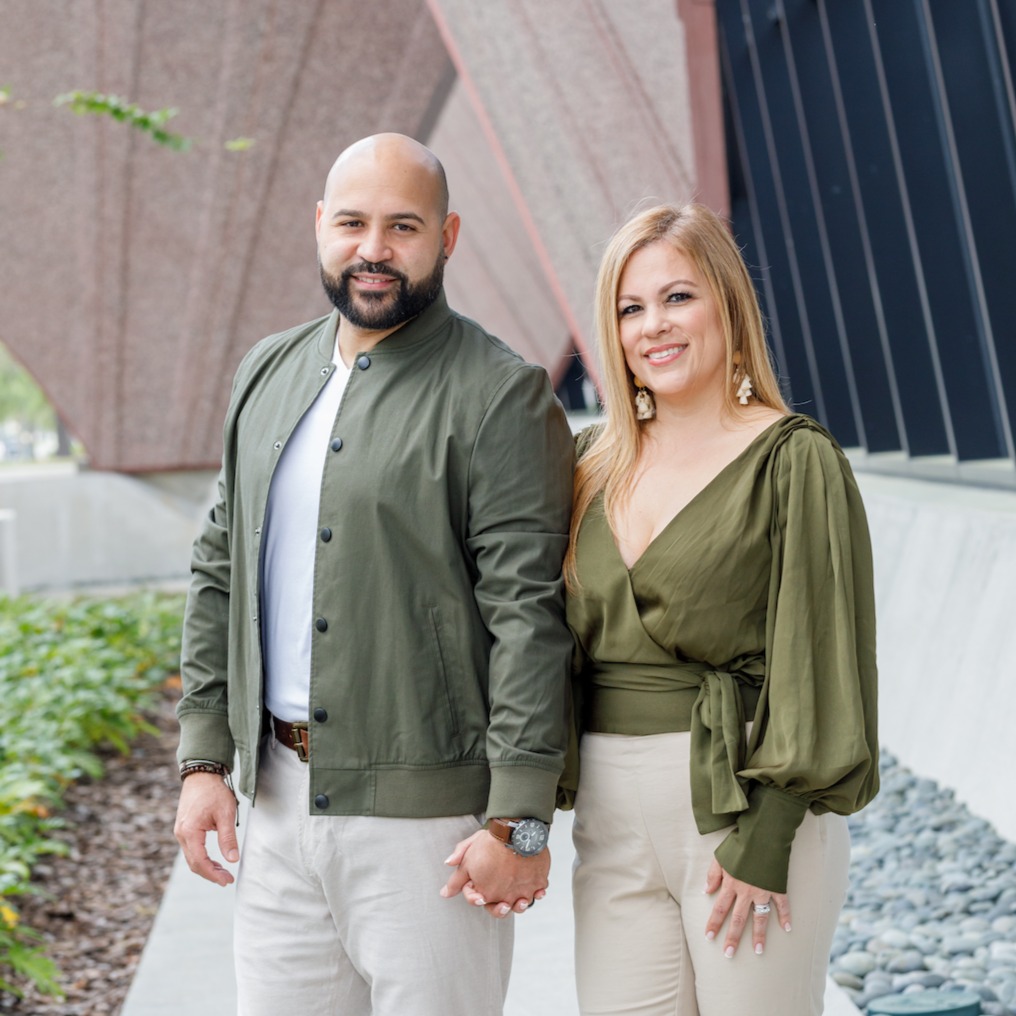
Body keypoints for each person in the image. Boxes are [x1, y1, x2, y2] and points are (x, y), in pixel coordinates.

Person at [173, 133, 574, 1016]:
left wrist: (519, 820)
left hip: (428, 828)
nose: (374, 250)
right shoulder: (266, 372)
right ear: (320, 225)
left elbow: (529, 618)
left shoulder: (501, 394)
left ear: (448, 235)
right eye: (353, 222)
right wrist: (206, 757)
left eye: (404, 226)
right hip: (275, 803)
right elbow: (219, 565)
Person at [559, 203, 878, 1015]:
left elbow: (824, 663)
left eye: (677, 298)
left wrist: (767, 837)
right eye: (631, 308)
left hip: (741, 810)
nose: (652, 327)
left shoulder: (793, 459)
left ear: (728, 307)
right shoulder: (587, 465)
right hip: (609, 824)